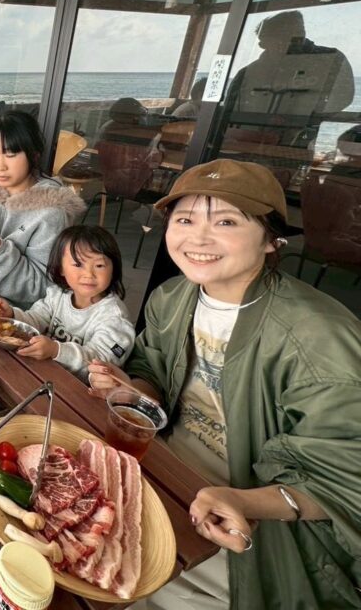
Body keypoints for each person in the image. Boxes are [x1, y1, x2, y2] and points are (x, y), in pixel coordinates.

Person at [87, 159, 361, 610]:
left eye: (226, 222)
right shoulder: (171, 297)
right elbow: (150, 367)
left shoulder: (319, 337)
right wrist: (135, 393)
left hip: (254, 520)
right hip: (162, 472)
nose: (198, 238)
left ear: (271, 240)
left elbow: (344, 473)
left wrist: (246, 502)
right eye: (185, 219)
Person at [0, 111, 85, 308]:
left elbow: (39, 289)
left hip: (11, 310)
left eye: (10, 155)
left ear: (34, 155)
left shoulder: (52, 212)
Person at [0, 225, 134, 384]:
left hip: (78, 390)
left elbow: (103, 361)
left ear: (113, 269)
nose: (89, 274)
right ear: (61, 268)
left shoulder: (115, 318)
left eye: (99, 266)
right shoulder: (58, 295)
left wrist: (56, 350)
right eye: (78, 264)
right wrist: (12, 315)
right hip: (42, 375)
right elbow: (37, 318)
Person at [222, 10, 354, 149]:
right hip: (247, 144)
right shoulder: (248, 74)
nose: (294, 39)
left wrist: (306, 119)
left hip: (298, 147)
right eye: (282, 35)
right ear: (263, 43)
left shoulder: (329, 59)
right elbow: (228, 112)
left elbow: (342, 98)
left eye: (298, 31)